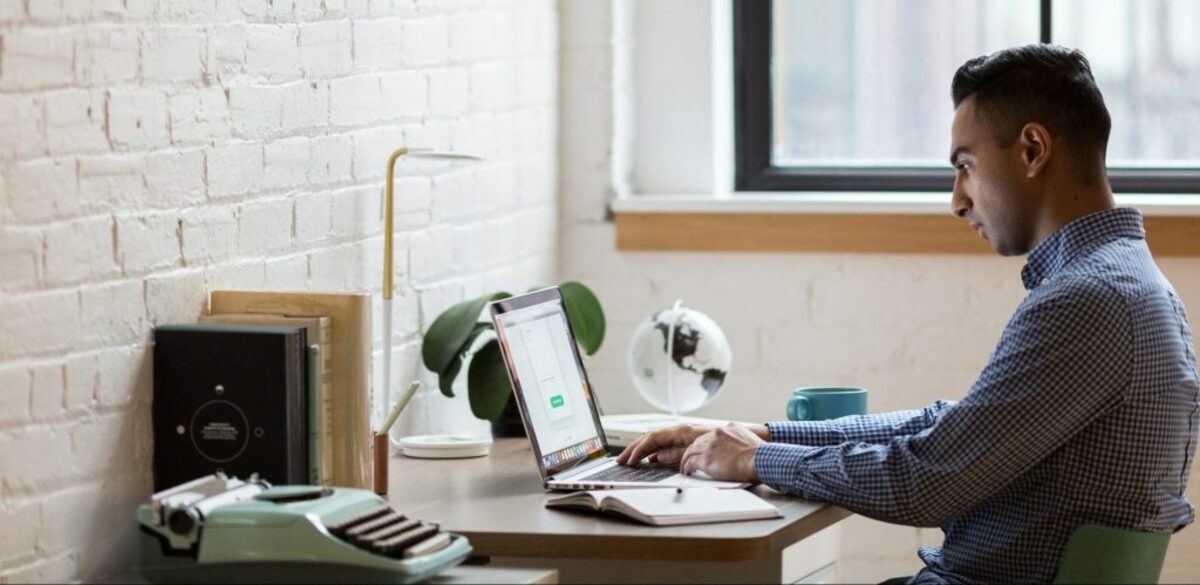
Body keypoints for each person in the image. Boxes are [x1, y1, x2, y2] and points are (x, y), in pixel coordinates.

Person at [616, 44, 1200, 584]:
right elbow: (952, 428)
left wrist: (756, 460)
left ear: (1031, 150)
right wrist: (764, 434)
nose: (957, 200)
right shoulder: (1125, 286)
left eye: (965, 164)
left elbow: (929, 480)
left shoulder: (1089, 301)